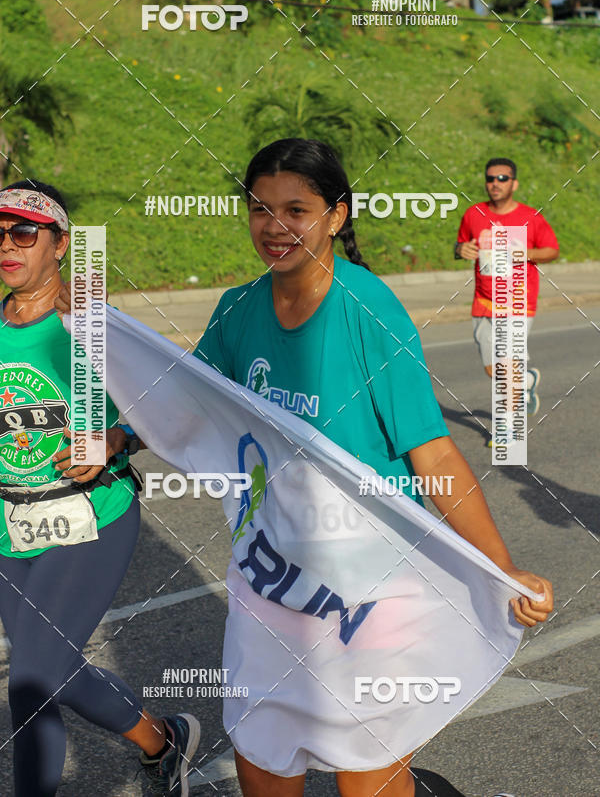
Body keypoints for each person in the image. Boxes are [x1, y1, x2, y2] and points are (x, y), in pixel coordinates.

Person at [191, 139, 553, 796]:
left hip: (371, 596)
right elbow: (182, 396)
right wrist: (118, 435)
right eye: (259, 209)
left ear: (336, 215)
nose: (274, 227)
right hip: (270, 588)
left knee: (368, 779)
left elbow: (434, 451)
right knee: (265, 762)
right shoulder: (237, 311)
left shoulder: (367, 311)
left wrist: (500, 567)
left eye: (295, 209)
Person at [0, 180, 199, 797]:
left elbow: (171, 408)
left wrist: (114, 440)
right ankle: (161, 741)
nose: (8, 244)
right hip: (12, 526)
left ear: (60, 245)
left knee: (31, 678)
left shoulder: (91, 323)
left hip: (91, 519)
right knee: (50, 670)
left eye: (24, 231)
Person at [454, 158, 559, 440]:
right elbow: (462, 243)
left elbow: (552, 250)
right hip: (483, 302)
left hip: (518, 302)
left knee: (506, 367)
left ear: (514, 183)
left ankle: (508, 430)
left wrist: (527, 253)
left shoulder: (530, 217)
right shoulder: (474, 214)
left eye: (502, 178)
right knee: (494, 369)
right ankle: (528, 380)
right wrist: (460, 248)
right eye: (490, 178)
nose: (495, 183)